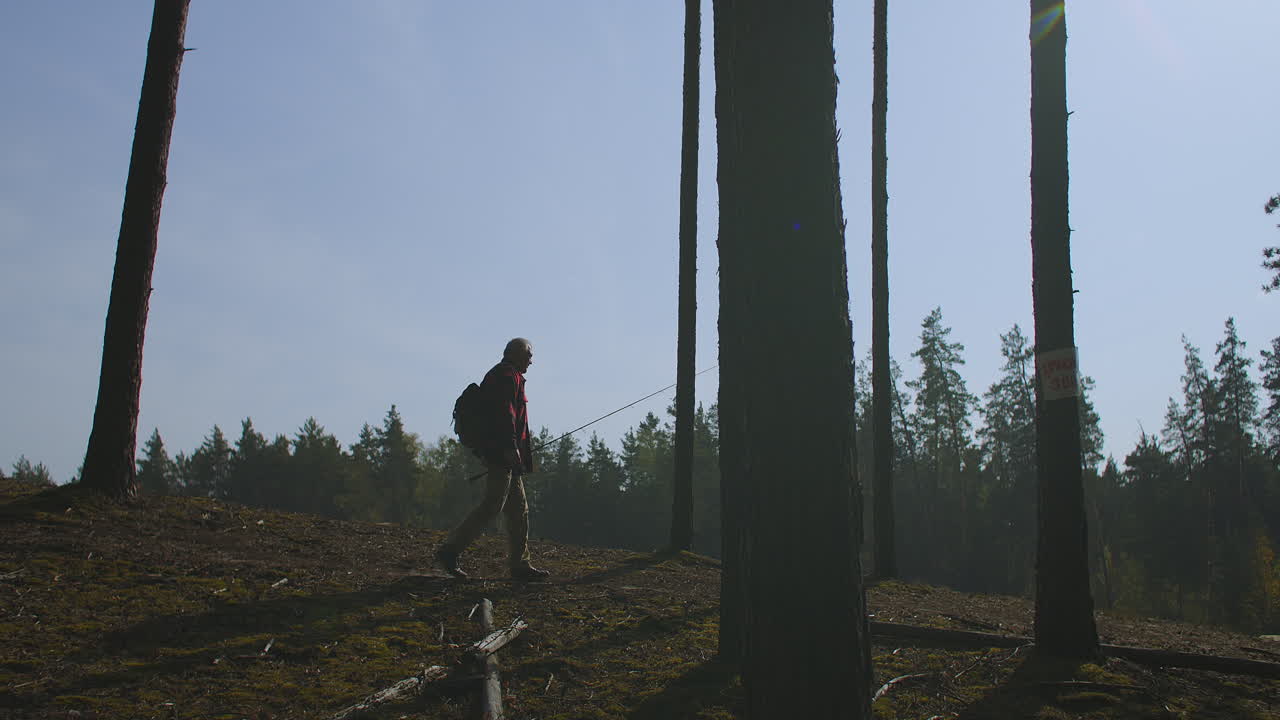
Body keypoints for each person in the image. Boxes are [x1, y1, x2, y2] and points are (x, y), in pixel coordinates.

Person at [436, 338, 550, 580]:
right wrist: (511, 447)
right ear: (515, 354)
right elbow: (505, 414)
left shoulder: (508, 375)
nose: (531, 360)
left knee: (519, 510)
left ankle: (520, 565)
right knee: (493, 505)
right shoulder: (506, 376)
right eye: (529, 355)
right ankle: (450, 550)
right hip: (501, 453)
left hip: (505, 454)